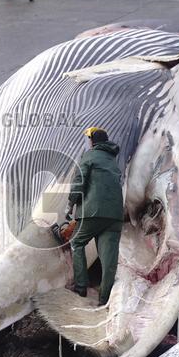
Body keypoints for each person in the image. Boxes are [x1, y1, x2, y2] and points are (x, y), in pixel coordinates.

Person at [66, 128, 123, 306]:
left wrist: (70, 203)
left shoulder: (90, 156)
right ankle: (104, 299)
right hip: (114, 216)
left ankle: (81, 287)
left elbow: (79, 181)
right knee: (108, 258)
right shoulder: (112, 160)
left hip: (92, 212)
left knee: (77, 243)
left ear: (92, 141)